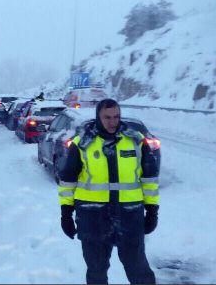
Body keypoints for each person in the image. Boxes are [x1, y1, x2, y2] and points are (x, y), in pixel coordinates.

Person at [58, 98, 160, 284]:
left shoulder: (136, 141)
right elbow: (68, 181)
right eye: (107, 117)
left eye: (116, 116)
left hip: (129, 215)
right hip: (92, 217)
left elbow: (150, 179)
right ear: (98, 117)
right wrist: (66, 213)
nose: (113, 122)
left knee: (139, 269)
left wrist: (152, 210)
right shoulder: (82, 144)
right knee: (96, 271)